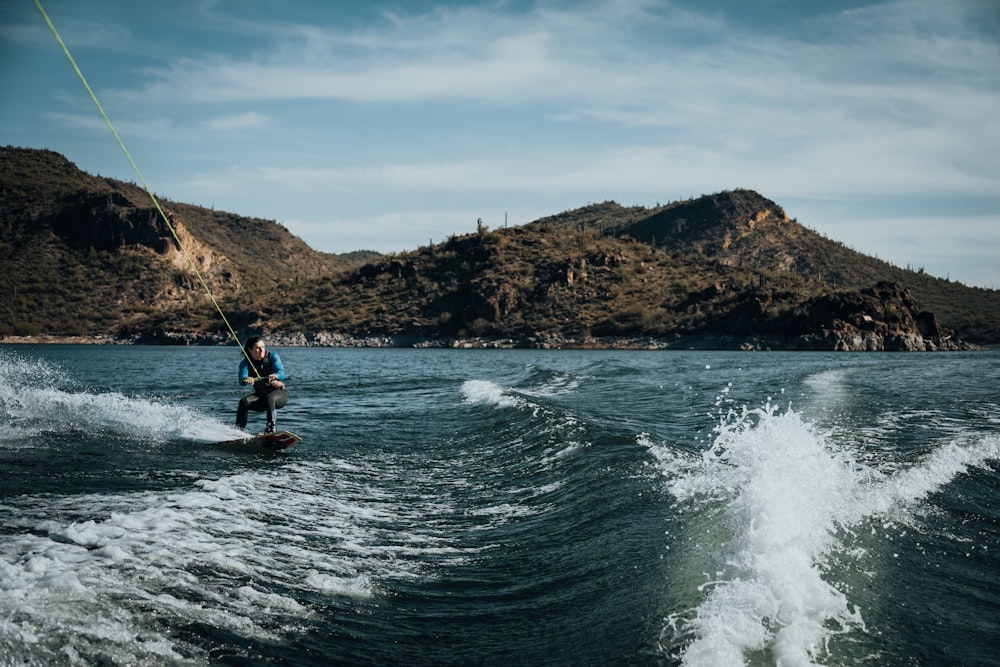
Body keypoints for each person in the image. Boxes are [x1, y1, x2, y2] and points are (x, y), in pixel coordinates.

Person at [236, 336, 287, 433]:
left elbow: (281, 373)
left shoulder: (272, 357)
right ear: (250, 350)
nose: (262, 350)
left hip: (279, 395)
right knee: (244, 402)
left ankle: (271, 428)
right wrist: (246, 379)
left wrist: (276, 375)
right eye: (258, 348)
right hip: (261, 397)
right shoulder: (245, 363)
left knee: (270, 397)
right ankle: (238, 431)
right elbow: (241, 381)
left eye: (263, 347)